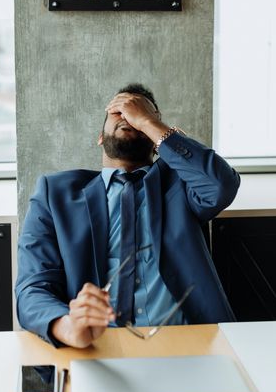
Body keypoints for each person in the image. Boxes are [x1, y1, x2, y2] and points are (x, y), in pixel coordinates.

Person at [15, 84, 240, 348]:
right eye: (118, 111)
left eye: (137, 112)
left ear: (155, 142)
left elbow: (221, 186)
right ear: (100, 137)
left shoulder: (181, 185)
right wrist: (68, 327)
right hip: (98, 346)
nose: (128, 117)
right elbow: (32, 288)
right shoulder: (55, 194)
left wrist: (149, 122)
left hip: (191, 342)